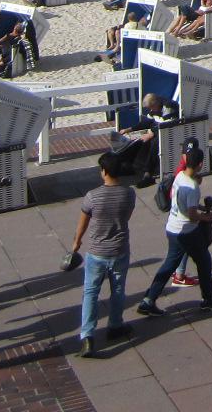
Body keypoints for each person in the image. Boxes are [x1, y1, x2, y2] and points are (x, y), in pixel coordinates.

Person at [136, 146, 212, 315]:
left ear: (185, 160)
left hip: (172, 227)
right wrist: (205, 217)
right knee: (204, 261)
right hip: (187, 232)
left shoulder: (179, 176)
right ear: (200, 164)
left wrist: (198, 205)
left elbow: (181, 203)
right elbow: (192, 214)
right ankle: (208, 299)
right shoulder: (193, 187)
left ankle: (148, 299)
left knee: (169, 264)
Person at [71, 152, 137, 357]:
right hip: (119, 250)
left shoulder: (92, 196)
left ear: (105, 172)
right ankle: (115, 325)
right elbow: (126, 216)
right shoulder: (128, 193)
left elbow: (83, 222)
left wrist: (76, 242)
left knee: (91, 293)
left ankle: (87, 336)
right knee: (118, 290)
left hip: (97, 252)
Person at [110, 93, 177, 185]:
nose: (150, 110)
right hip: (155, 129)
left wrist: (151, 134)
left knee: (155, 142)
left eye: (151, 107)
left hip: (169, 131)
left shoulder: (169, 107)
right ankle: (127, 166)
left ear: (156, 103)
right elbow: (147, 122)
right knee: (132, 137)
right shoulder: (154, 108)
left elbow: (168, 124)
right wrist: (129, 129)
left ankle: (148, 174)